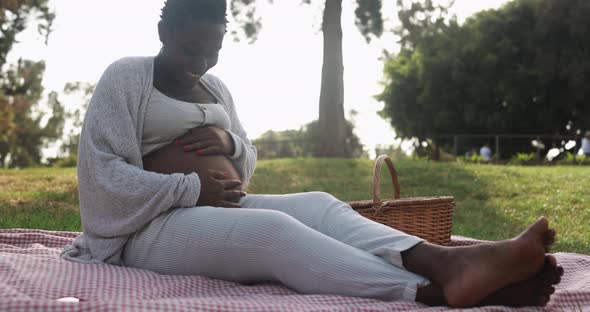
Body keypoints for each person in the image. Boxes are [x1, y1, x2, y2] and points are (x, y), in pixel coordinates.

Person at [61, 0, 563, 308]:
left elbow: (247, 158)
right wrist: (190, 185)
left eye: (212, 49)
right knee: (274, 232)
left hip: (213, 207)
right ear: (164, 33)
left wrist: (230, 145)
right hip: (145, 231)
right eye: (190, 49)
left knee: (320, 204)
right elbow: (102, 173)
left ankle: (449, 265)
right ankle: (431, 293)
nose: (201, 62)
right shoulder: (127, 77)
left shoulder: (216, 87)